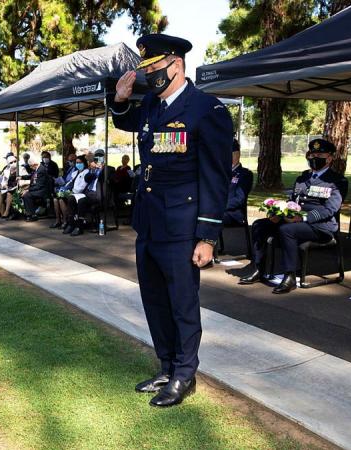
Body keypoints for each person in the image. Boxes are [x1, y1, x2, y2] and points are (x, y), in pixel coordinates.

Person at [111, 33, 233, 407]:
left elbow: (215, 177)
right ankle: (166, 365)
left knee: (181, 303)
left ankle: (184, 374)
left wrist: (208, 237)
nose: (149, 75)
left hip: (182, 227)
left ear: (176, 65)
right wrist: (118, 99)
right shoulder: (151, 105)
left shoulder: (206, 109)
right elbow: (127, 122)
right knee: (155, 301)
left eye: (154, 67)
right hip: (149, 223)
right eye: (145, 68)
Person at [239, 139, 345, 294]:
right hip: (295, 220)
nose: (315, 157)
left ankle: (290, 276)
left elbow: (329, 210)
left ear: (329, 158)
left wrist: (303, 218)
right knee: (260, 225)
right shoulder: (302, 178)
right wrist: (278, 213)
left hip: (320, 226)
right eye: (313, 154)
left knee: (288, 230)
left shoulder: (337, 181)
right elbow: (292, 202)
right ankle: (259, 269)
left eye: (320, 154)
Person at [223, 140, 253, 226]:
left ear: (238, 154)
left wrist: (220, 207)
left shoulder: (245, 174)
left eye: (230, 154)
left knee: (212, 219)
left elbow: (239, 199)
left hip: (233, 214)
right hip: (217, 211)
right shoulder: (220, 173)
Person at [61, 155, 93, 235]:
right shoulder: (75, 173)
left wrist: (72, 192)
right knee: (64, 198)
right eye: (77, 163)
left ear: (84, 163)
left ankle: (78, 226)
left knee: (71, 198)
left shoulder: (86, 173)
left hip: (82, 194)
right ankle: (71, 223)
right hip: (75, 194)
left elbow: (81, 187)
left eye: (80, 163)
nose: (78, 164)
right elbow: (71, 183)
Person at [21, 151, 57, 221]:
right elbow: (32, 176)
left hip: (43, 190)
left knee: (27, 195)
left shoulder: (41, 170)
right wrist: (22, 177)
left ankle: (32, 214)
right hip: (39, 188)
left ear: (35, 164)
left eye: (31, 166)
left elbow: (39, 185)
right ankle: (29, 213)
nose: (31, 168)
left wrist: (28, 189)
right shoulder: (37, 169)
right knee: (25, 193)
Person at [51, 153, 79, 229]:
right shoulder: (70, 168)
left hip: (71, 189)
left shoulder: (77, 169)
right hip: (65, 187)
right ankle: (58, 220)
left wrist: (64, 188)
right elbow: (64, 178)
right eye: (69, 161)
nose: (69, 162)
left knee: (61, 200)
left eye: (71, 161)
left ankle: (65, 221)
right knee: (55, 199)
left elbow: (72, 182)